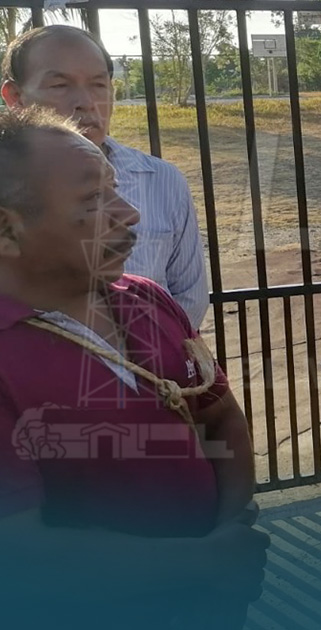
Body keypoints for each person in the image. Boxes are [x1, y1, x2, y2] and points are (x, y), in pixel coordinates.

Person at [0, 107, 266, 628]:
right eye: (93, 200)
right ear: (7, 230)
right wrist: (203, 563)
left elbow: (220, 419)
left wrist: (231, 529)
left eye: (115, 190)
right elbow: (22, 548)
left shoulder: (148, 300)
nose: (130, 215)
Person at [2, 25, 210, 330]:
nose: (86, 102)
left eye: (99, 85)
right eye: (60, 85)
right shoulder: (7, 191)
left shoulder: (161, 180)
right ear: (15, 97)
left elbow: (190, 296)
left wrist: (139, 354)